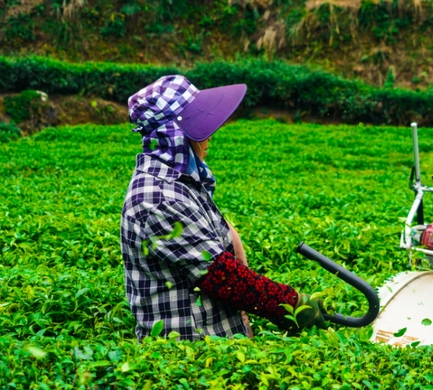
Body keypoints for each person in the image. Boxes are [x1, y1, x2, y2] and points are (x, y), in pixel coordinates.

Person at [120, 75, 326, 341]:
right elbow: (221, 276)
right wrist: (290, 303)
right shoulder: (157, 198)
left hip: (218, 341)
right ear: (173, 136)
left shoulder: (181, 182)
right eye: (199, 128)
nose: (209, 137)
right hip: (187, 356)